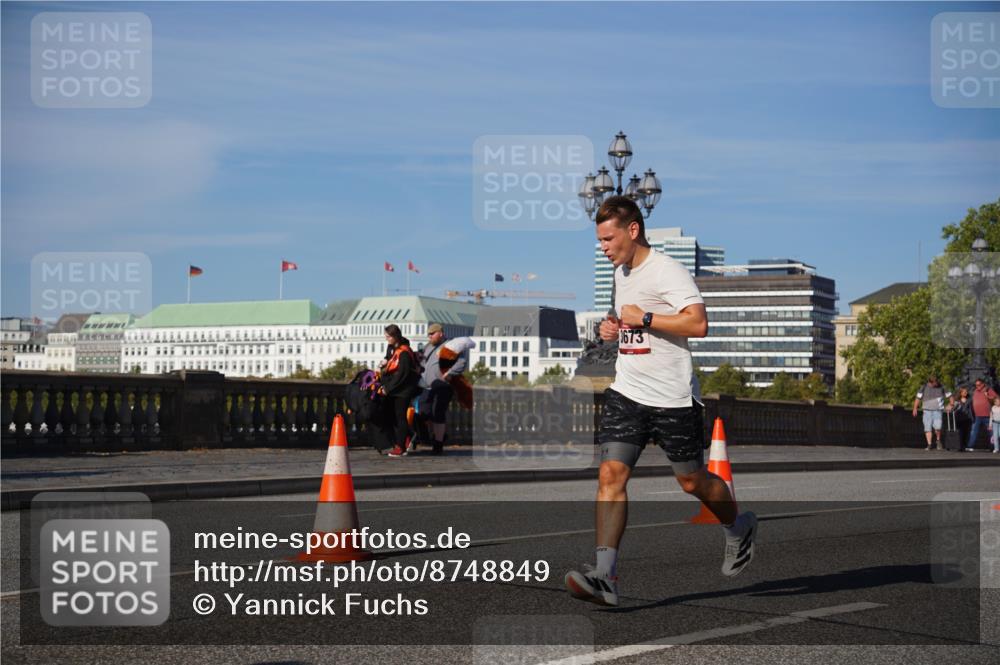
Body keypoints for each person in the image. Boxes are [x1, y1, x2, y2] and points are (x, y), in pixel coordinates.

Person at [564, 196, 757, 608]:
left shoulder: (668, 269)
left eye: (608, 238)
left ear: (633, 230)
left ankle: (737, 527)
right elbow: (631, 324)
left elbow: (698, 323)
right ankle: (605, 575)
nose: (603, 246)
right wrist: (614, 328)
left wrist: (645, 319)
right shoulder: (621, 272)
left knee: (691, 481)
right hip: (628, 392)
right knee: (610, 477)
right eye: (599, 239)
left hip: (673, 399)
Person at [416, 323, 468, 455]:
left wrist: (449, 373)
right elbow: (424, 363)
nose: (430, 336)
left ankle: (438, 444)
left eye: (432, 334)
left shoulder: (451, 345)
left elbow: (461, 362)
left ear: (441, 333)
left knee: (438, 413)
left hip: (443, 385)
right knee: (424, 412)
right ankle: (439, 435)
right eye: (428, 334)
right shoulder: (428, 347)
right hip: (427, 386)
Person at [377, 325, 420, 458]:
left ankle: (400, 447)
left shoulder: (405, 352)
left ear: (396, 336)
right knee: (393, 416)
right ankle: (405, 438)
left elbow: (403, 374)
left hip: (402, 390)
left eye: (389, 337)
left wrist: (388, 388)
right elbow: (390, 359)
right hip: (395, 389)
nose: (387, 339)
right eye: (386, 337)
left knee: (399, 417)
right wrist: (385, 362)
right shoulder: (392, 348)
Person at [912, 376, 952, 451]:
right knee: (928, 428)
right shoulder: (923, 387)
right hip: (927, 410)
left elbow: (950, 396)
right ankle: (929, 444)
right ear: (929, 383)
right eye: (934, 383)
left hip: (938, 410)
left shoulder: (942, 387)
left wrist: (951, 404)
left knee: (938, 427)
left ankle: (938, 440)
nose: (936, 384)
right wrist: (915, 408)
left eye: (936, 382)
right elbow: (918, 398)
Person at [967, 377, 999, 451]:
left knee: (991, 432)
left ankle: (994, 447)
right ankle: (970, 446)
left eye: (979, 385)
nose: (977, 386)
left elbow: (997, 399)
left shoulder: (988, 390)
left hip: (987, 416)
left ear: (983, 384)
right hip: (977, 416)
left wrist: (987, 396)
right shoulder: (975, 391)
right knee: (973, 431)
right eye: (976, 385)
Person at [953, 386, 974, 452]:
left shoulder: (969, 400)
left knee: (966, 433)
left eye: (966, 392)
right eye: (964, 392)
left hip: (967, 418)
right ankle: (959, 446)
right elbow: (954, 409)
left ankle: (964, 446)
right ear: (960, 393)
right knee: (960, 433)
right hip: (959, 419)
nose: (965, 393)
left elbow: (971, 409)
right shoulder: (957, 400)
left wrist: (972, 417)